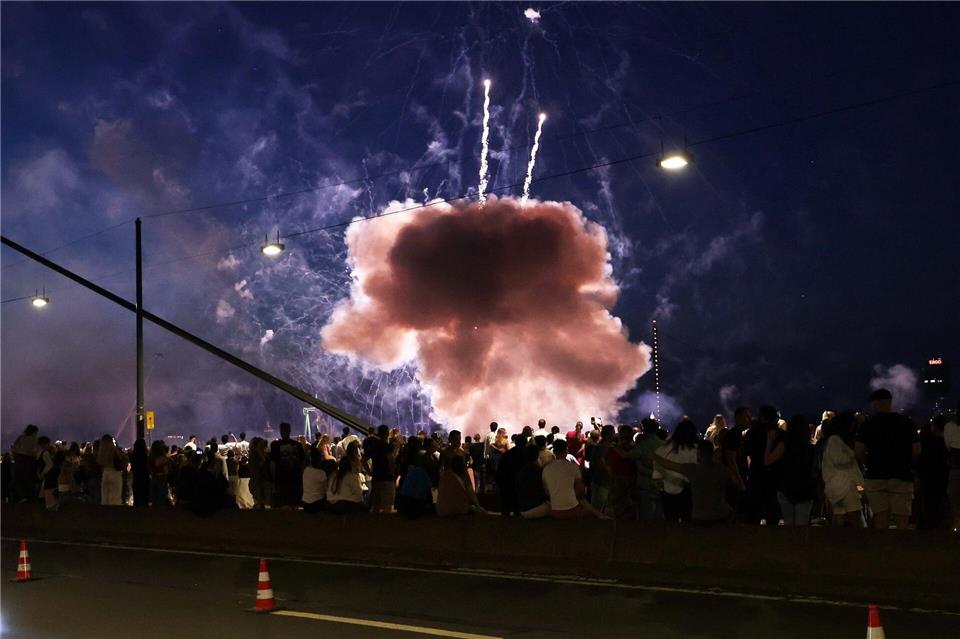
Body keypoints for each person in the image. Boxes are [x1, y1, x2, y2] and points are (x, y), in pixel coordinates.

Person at [855, 388, 921, 529]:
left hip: (875, 476)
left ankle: (883, 549)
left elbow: (859, 451)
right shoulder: (906, 422)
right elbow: (916, 450)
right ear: (890, 402)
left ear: (875, 403)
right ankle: (900, 549)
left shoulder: (868, 425)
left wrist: (869, 462)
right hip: (901, 475)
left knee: (880, 519)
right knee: (902, 520)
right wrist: (906, 463)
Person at [655, 440, 731, 524]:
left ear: (699, 453)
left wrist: (654, 455)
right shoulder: (723, 470)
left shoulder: (693, 469)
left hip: (701, 517)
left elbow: (668, 464)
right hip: (720, 515)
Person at [767, 415, 816, 526]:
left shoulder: (784, 445)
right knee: (801, 526)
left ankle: (787, 543)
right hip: (805, 490)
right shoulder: (811, 449)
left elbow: (768, 460)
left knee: (788, 525)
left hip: (786, 488)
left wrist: (769, 442)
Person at [542, 439, 606, 519]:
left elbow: (547, 492)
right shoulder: (573, 467)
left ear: (554, 451)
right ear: (566, 450)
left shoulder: (546, 468)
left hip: (555, 510)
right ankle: (601, 515)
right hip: (573, 509)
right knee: (585, 504)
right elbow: (580, 491)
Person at [821, 412, 865, 528]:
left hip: (839, 486)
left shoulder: (834, 440)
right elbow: (839, 459)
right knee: (855, 513)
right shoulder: (835, 440)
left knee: (839, 513)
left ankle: (838, 541)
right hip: (846, 485)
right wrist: (853, 453)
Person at [743, 406, 782, 524]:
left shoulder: (752, 433)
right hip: (774, 475)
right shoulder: (779, 433)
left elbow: (745, 451)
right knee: (772, 511)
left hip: (756, 473)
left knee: (754, 513)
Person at [656, 419, 698, 523]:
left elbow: (657, 471)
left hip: (666, 487)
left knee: (670, 519)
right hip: (686, 489)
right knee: (687, 519)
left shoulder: (663, 448)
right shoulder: (694, 450)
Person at [629, 418, 665, 521]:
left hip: (645, 484)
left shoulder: (642, 445)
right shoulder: (663, 445)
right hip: (660, 483)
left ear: (644, 429)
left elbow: (629, 456)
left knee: (646, 516)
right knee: (659, 515)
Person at [917, 416, 949, 529]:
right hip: (943, 479)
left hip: (927, 478)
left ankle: (927, 527)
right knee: (941, 505)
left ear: (934, 427)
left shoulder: (925, 443)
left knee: (927, 505)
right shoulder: (947, 444)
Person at [270, 422, 306, 509]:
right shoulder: (298, 445)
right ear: (290, 431)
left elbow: (273, 464)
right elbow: (303, 463)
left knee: (283, 505)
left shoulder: (275, 445)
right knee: (295, 504)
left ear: (280, 431)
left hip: (281, 479)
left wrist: (273, 479)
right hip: (295, 479)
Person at [397, 439, 433, 518]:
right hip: (417, 507)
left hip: (406, 506)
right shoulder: (422, 473)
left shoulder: (409, 471)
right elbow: (429, 488)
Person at [367, 424, 397, 514]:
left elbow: (363, 459)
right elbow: (391, 461)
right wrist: (392, 473)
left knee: (376, 504)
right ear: (387, 433)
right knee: (387, 505)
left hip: (376, 477)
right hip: (387, 478)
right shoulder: (387, 446)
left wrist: (370, 472)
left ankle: (375, 525)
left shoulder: (374, 446)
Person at [496, 434, 527, 516]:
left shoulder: (507, 454)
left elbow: (500, 470)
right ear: (526, 442)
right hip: (523, 485)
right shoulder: (528, 455)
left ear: (515, 442)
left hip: (508, 483)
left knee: (506, 509)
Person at [515, 445, 550, 518]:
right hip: (537, 506)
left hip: (522, 507)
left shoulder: (521, 471)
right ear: (537, 455)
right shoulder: (539, 471)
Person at [587, 424, 615, 513]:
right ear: (608, 435)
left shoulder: (599, 447)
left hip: (599, 481)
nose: (614, 435)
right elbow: (601, 464)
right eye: (613, 433)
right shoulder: (602, 448)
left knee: (598, 507)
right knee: (600, 508)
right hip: (602, 482)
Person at [11, 425, 39, 502]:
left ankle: (23, 496)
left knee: (20, 479)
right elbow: (35, 451)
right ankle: (31, 496)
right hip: (30, 459)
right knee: (30, 478)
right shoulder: (34, 439)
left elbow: (14, 448)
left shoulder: (21, 437)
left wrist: (16, 457)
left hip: (21, 459)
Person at [97, 435, 124, 506]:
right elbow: (122, 459)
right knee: (115, 498)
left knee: (105, 498)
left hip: (105, 473)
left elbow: (100, 463)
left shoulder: (101, 452)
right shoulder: (114, 450)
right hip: (115, 473)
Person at [248, 437, 272, 510]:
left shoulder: (264, 455)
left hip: (260, 481)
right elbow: (258, 466)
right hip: (258, 482)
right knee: (260, 503)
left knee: (263, 503)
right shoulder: (254, 455)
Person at [301, 448, 328, 514]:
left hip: (305, 503)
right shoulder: (321, 473)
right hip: (317, 503)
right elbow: (326, 489)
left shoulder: (306, 470)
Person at [148, 440, 171, 506]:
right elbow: (168, 470)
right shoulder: (165, 458)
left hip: (154, 478)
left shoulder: (150, 457)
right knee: (162, 498)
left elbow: (150, 468)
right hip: (162, 478)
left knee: (154, 497)